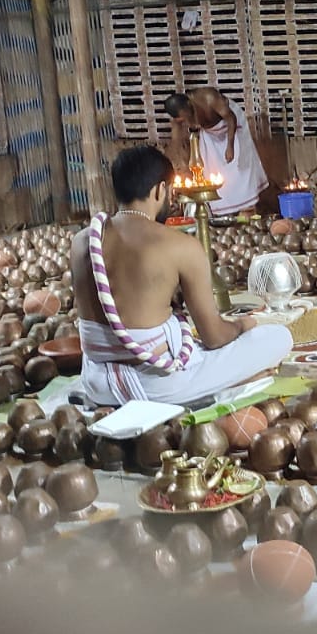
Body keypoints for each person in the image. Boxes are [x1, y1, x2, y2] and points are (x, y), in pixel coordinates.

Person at [70, 145, 292, 407]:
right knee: (278, 337)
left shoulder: (82, 241)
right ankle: (227, 386)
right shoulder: (180, 246)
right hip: (158, 386)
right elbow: (215, 338)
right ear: (159, 190)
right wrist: (244, 324)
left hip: (97, 383)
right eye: (170, 192)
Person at [160, 88, 269, 216]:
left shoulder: (209, 98)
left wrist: (230, 146)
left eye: (185, 117)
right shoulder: (179, 118)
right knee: (212, 170)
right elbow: (177, 142)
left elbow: (231, 119)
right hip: (210, 133)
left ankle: (248, 208)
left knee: (241, 167)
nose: (185, 121)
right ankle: (223, 211)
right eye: (181, 120)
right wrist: (181, 165)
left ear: (189, 105)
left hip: (233, 127)